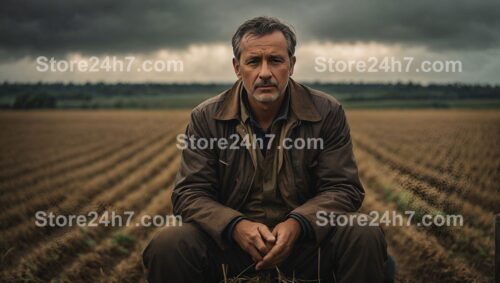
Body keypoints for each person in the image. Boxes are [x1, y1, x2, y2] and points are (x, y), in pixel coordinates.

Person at [143, 16, 388, 283]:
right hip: (231, 247)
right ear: (237, 68)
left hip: (305, 245)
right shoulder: (206, 117)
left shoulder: (327, 112)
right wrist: (235, 226)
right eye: (253, 62)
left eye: (275, 60)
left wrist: (297, 225)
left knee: (363, 232)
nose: (264, 73)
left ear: (291, 65)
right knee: (169, 243)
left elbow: (344, 188)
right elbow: (189, 193)